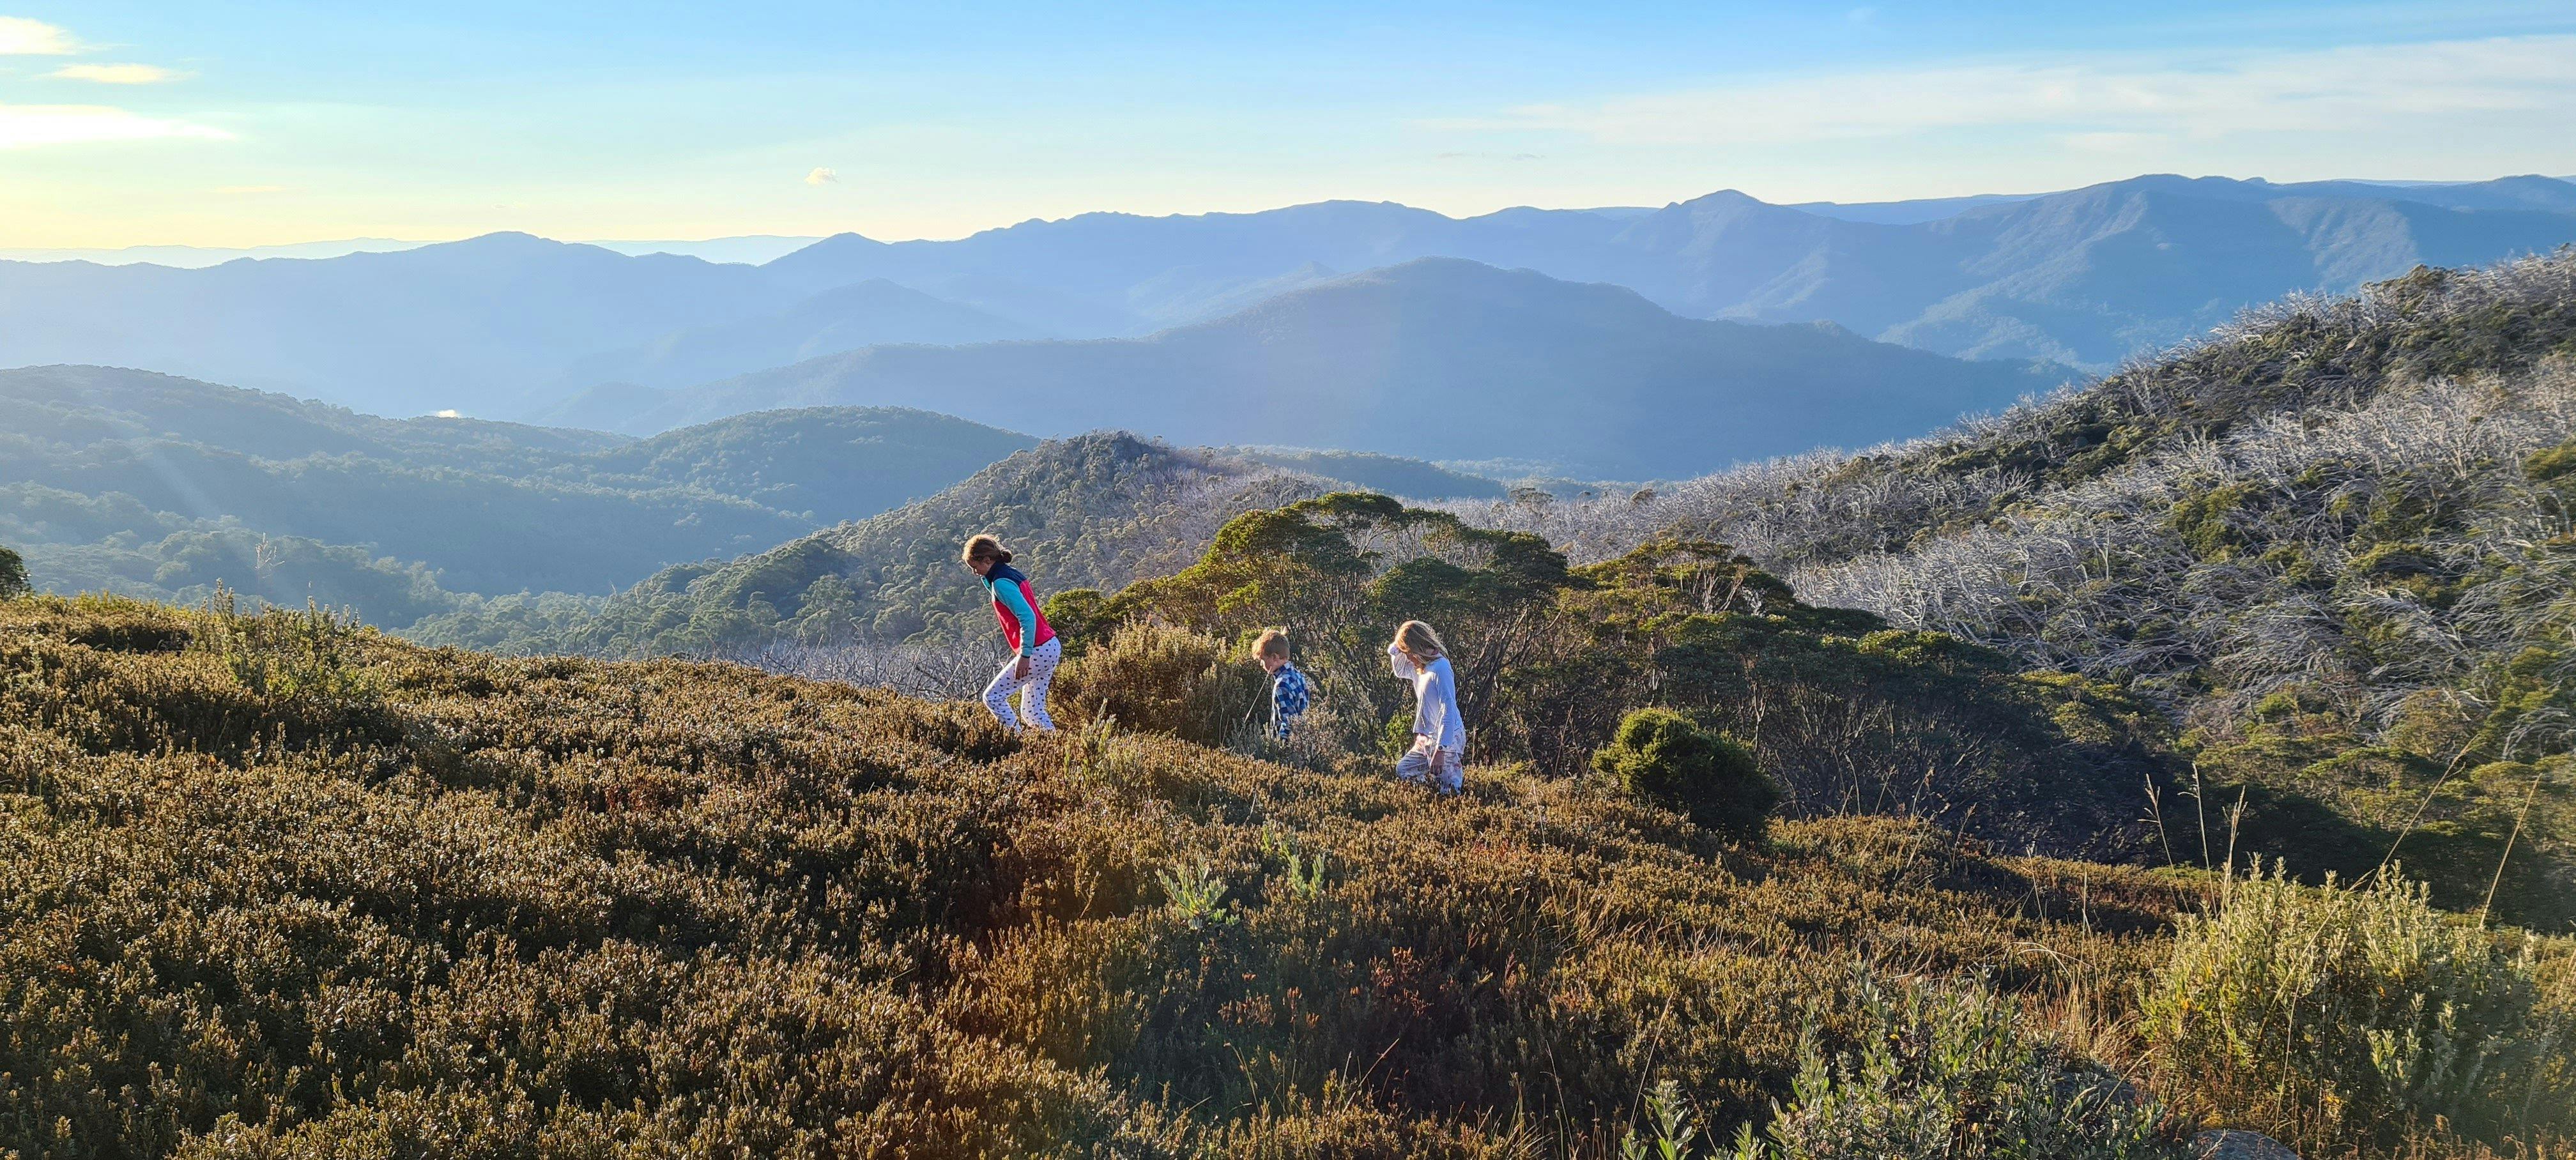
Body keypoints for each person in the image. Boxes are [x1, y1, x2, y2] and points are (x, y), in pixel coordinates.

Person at [963, 534, 1059, 732]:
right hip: (1050, 646)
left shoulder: (1001, 583)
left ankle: (1018, 742)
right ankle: (1055, 747)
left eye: (975, 567)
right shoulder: (1010, 573)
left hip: (1037, 651)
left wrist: (1025, 655)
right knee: (1033, 711)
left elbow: (1028, 617)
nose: (974, 572)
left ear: (987, 560)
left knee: (993, 697)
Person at [1386, 620, 1464, 794]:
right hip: (1426, 737)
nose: (1407, 658)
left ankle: (1454, 813)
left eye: (1408, 652)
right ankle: (1426, 802)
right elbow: (1399, 670)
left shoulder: (1440, 668)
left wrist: (1441, 750)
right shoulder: (1420, 668)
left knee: (1449, 788)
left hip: (1447, 739)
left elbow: (1448, 711)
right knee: (1404, 770)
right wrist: (1395, 649)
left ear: (1416, 647)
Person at [1253, 627, 1310, 741]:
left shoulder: (1281, 685)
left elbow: (1288, 724)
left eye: (1263, 660)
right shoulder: (1298, 675)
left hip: (1292, 747)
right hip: (1306, 740)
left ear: (1275, 657)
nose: (1261, 664)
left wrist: (1281, 748)